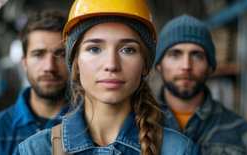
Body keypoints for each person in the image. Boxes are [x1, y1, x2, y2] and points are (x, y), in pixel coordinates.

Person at [16, 0, 199, 154]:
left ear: (145, 64)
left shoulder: (179, 150)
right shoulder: (34, 150)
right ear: (76, 63)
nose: (111, 64)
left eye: (128, 49)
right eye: (94, 49)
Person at [154, 14, 247, 154]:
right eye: (175, 54)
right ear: (158, 65)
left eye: (197, 55)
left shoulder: (243, 132)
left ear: (210, 67)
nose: (186, 65)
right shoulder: (136, 126)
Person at [0, 9, 69, 155]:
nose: (49, 67)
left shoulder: (93, 128)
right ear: (24, 62)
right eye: (38, 54)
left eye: (61, 55)